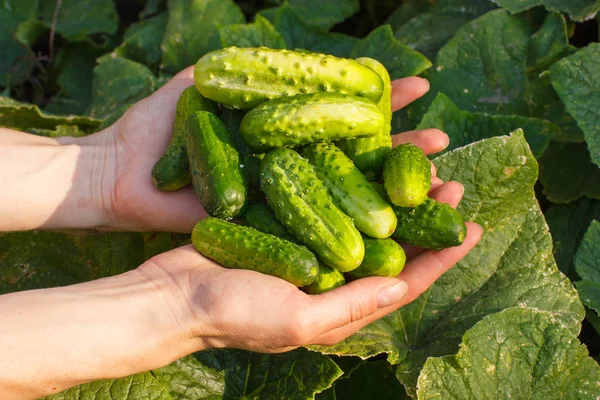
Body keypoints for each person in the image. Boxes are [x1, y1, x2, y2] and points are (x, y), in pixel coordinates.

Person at [0, 67, 482, 399]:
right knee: (338, 235)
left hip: (290, 195)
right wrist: (179, 306)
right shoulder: (259, 177)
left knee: (343, 236)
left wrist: (102, 173)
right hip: (282, 194)